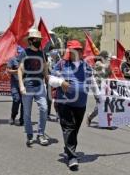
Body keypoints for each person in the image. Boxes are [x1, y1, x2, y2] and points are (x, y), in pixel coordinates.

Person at [49, 40, 99, 171]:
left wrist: (98, 96)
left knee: (74, 129)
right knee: (69, 128)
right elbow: (50, 79)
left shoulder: (86, 66)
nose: (77, 52)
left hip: (81, 104)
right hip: (64, 103)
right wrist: (61, 82)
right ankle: (72, 157)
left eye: (79, 50)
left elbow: (92, 81)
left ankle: (68, 148)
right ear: (69, 52)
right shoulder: (61, 65)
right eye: (73, 50)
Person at [18, 29, 49, 146]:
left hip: (40, 85)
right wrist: (21, 86)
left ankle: (41, 134)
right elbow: (20, 70)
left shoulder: (42, 53)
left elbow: (45, 67)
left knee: (44, 108)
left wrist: (47, 78)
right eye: (36, 39)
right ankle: (29, 134)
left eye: (39, 39)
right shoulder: (24, 53)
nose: (38, 41)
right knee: (27, 112)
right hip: (28, 85)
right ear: (31, 41)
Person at [86, 50, 111, 126]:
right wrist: (110, 61)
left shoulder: (104, 64)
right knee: (100, 104)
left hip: (103, 87)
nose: (107, 59)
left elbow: (107, 75)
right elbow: (106, 66)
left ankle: (103, 120)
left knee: (103, 103)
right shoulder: (98, 63)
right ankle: (90, 117)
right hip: (96, 87)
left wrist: (109, 70)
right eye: (106, 57)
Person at [7, 46, 24, 126]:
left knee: (24, 102)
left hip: (24, 84)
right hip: (15, 84)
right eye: (19, 52)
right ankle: (13, 116)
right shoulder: (12, 59)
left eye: (22, 52)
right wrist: (17, 71)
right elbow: (8, 70)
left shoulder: (26, 61)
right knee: (16, 100)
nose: (21, 54)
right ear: (17, 52)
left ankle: (22, 119)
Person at [46, 48, 60, 121]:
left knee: (57, 97)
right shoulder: (48, 60)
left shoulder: (59, 60)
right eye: (54, 54)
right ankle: (47, 114)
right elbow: (48, 70)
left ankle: (58, 114)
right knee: (49, 98)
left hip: (57, 80)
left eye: (56, 54)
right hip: (50, 80)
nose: (56, 55)